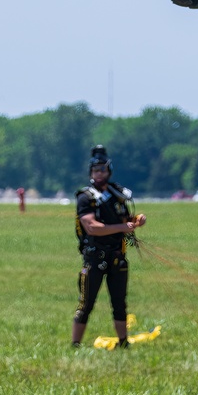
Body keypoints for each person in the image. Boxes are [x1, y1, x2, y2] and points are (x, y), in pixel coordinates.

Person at [71, 145, 146, 348]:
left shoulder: (117, 194)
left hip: (117, 256)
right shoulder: (85, 197)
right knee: (86, 303)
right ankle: (75, 344)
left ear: (109, 171)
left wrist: (135, 221)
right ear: (90, 172)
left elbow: (122, 220)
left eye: (102, 170)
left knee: (120, 303)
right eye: (95, 170)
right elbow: (92, 227)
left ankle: (123, 343)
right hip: (95, 257)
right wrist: (123, 226)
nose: (99, 174)